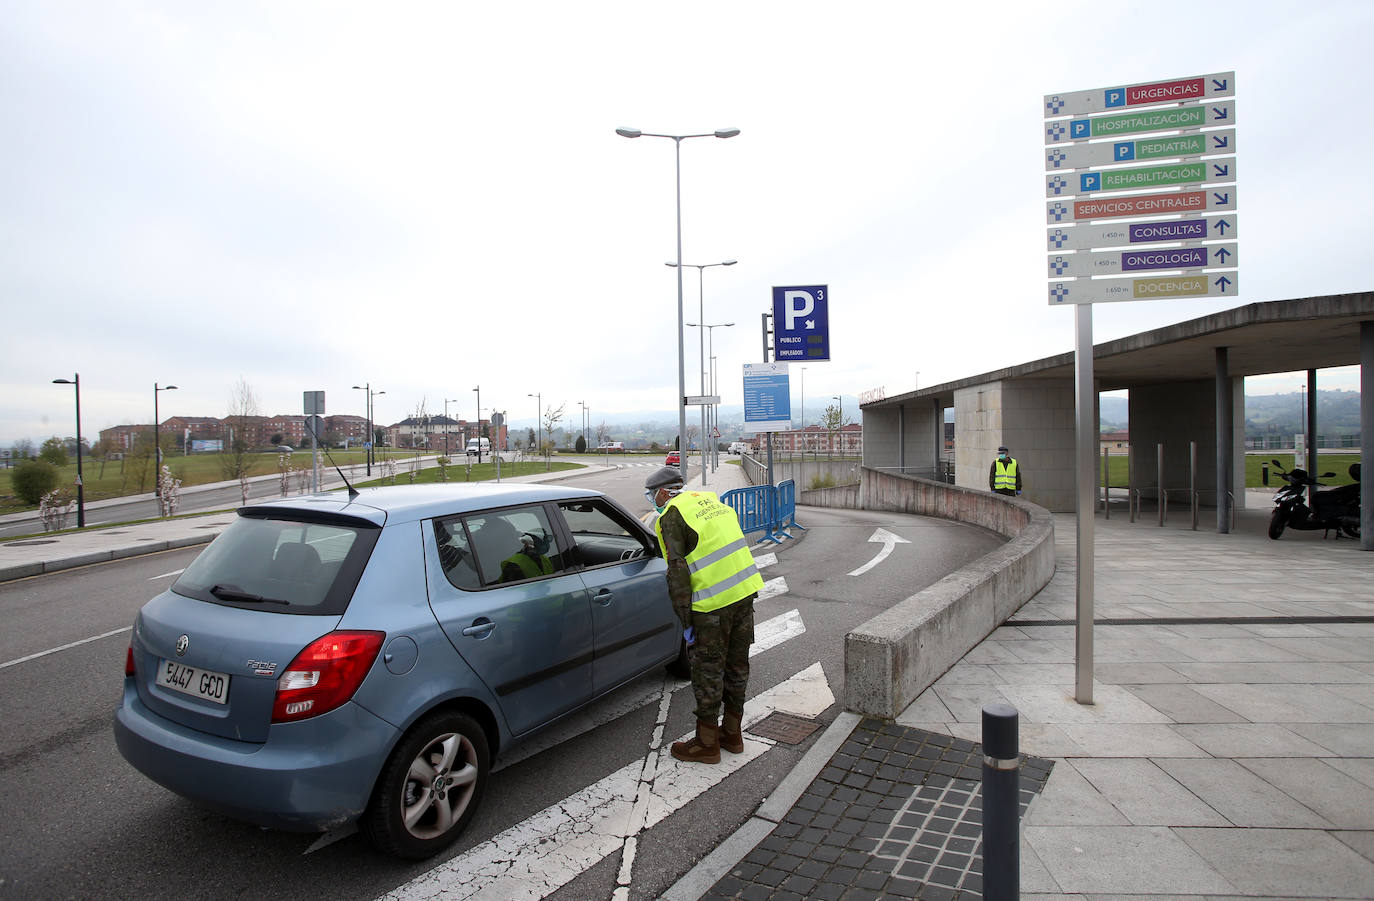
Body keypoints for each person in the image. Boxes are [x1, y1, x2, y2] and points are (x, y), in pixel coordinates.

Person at [646, 465, 763, 764]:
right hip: (744, 594)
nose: (652, 499)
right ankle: (733, 735)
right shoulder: (713, 501)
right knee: (737, 667)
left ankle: (706, 744)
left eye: (651, 494)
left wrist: (686, 621)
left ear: (663, 492)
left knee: (708, 671)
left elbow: (677, 573)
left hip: (711, 605)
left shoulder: (670, 515)